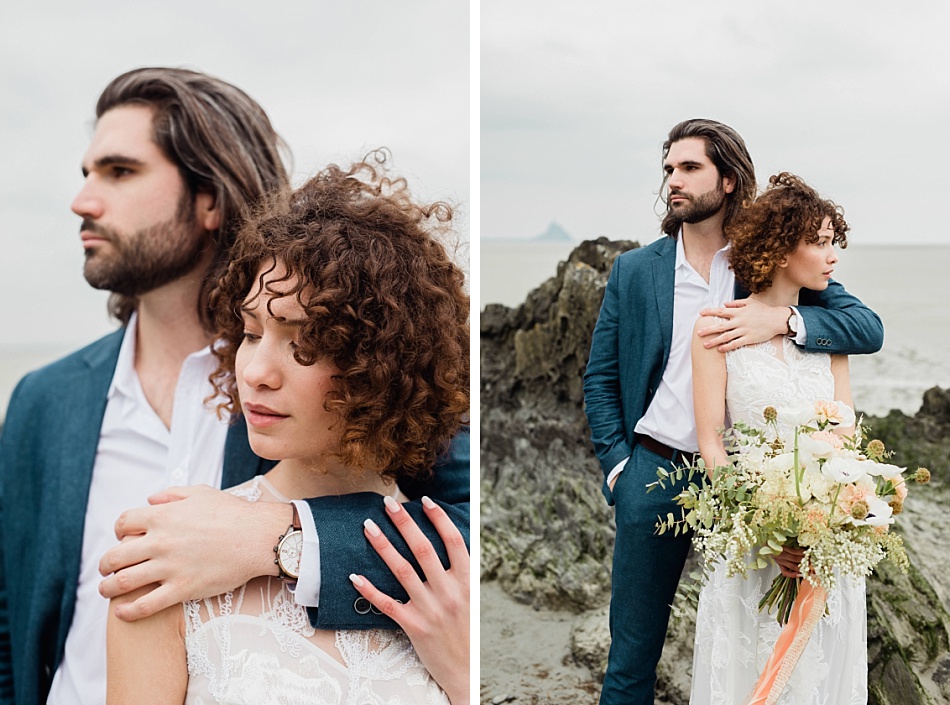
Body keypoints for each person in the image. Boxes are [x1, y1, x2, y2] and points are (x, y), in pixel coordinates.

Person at [0, 68, 469, 705]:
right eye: (86, 174)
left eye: (120, 172)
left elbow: (463, 527)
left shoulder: (352, 376)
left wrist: (272, 538)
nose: (83, 200)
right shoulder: (41, 401)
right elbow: (9, 620)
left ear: (209, 198)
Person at [106, 157, 470, 703]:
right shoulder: (170, 558)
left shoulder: (450, 567)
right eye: (251, 333)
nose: (255, 373)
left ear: (383, 361)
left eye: (305, 343)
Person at [582, 119, 883, 704]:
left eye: (689, 167)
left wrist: (783, 320)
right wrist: (619, 466)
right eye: (669, 168)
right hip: (656, 470)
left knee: (748, 633)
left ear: (727, 180)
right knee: (631, 654)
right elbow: (599, 377)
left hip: (753, 477)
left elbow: (864, 327)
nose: (673, 179)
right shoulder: (635, 270)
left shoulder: (765, 257)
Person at [690, 172, 867, 703]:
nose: (832, 254)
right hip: (751, 546)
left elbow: (847, 437)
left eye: (835, 241)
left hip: (823, 547)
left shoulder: (829, 335)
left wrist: (829, 519)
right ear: (781, 249)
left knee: (817, 677)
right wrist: (764, 525)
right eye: (818, 241)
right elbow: (711, 445)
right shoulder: (714, 331)